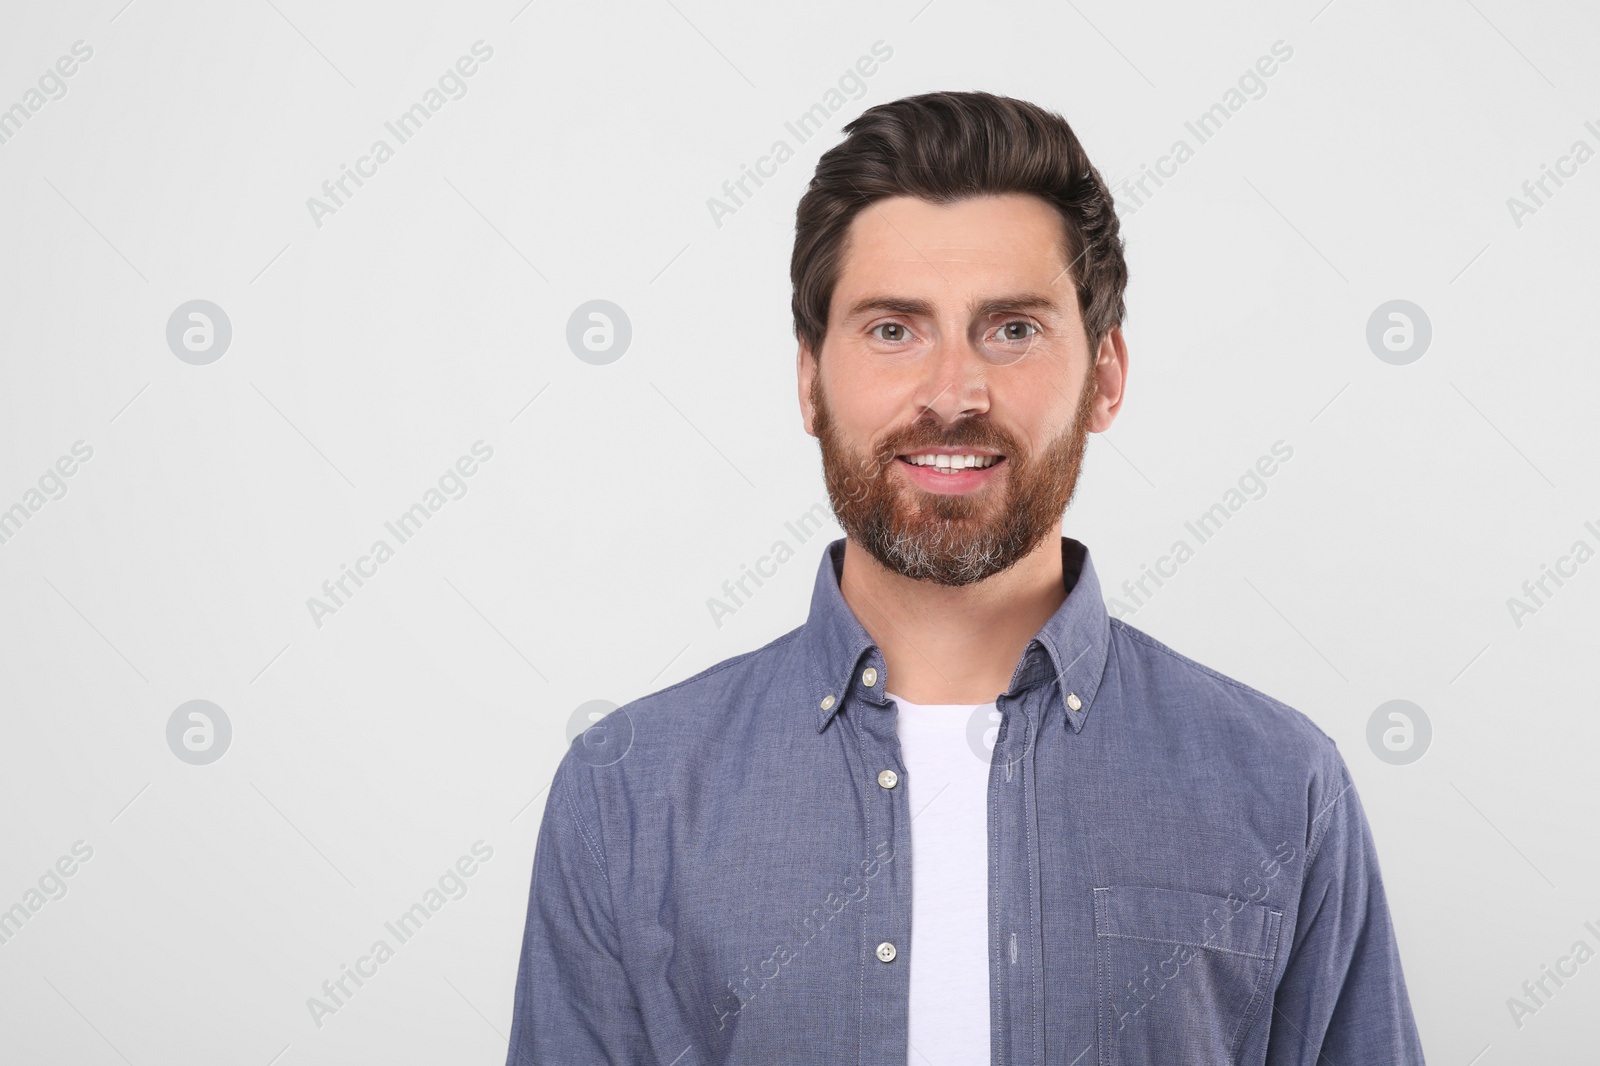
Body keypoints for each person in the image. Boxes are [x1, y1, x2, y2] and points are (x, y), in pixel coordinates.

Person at [505, 90, 1425, 1065]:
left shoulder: (1282, 787)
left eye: (1013, 328)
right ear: (810, 379)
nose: (952, 393)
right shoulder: (628, 794)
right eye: (893, 329)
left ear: (1105, 377)